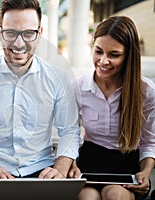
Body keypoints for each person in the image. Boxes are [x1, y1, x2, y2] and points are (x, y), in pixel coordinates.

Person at [0, 0, 80, 179]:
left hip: (42, 171)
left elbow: (69, 130)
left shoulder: (58, 78)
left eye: (29, 33)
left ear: (39, 34)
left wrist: (60, 169)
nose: (19, 43)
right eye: (11, 33)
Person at [68, 16, 155, 200]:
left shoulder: (146, 91)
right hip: (90, 161)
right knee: (87, 198)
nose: (103, 61)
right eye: (98, 51)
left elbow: (149, 141)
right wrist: (72, 164)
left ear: (128, 55)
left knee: (113, 194)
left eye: (114, 55)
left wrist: (146, 172)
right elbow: (70, 133)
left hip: (128, 164)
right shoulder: (78, 87)